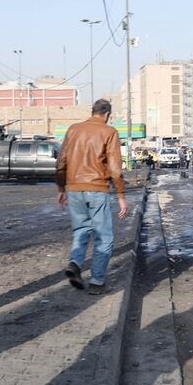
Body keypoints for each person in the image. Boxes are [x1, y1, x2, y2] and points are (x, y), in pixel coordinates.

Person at [56, 99, 128, 295]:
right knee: (103, 237)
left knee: (81, 230)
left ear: (92, 111)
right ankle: (97, 281)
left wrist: (62, 188)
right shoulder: (109, 132)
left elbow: (61, 161)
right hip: (97, 188)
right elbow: (115, 169)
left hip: (73, 188)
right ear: (107, 114)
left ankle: (76, 262)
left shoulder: (73, 129)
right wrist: (121, 195)